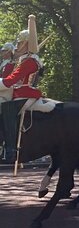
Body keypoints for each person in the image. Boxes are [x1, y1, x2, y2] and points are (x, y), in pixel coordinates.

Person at [0, 15, 44, 163]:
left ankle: (11, 149)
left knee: (7, 109)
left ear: (26, 44)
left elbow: (11, 80)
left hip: (26, 93)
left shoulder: (30, 60)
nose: (17, 46)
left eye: (19, 43)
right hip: (19, 92)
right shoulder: (23, 60)